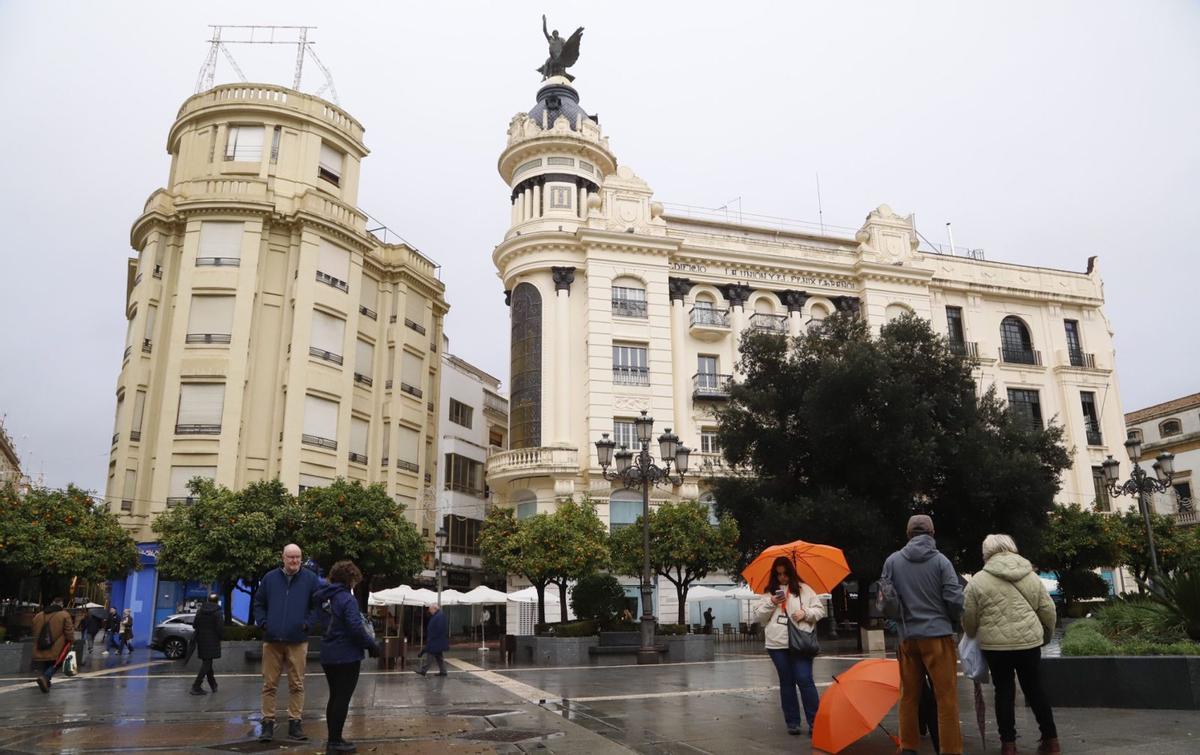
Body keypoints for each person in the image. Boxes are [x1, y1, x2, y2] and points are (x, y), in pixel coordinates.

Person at [962, 534, 1059, 755]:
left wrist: (971, 633)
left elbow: (968, 616)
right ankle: (1051, 741)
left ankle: (1008, 745)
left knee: (1003, 692)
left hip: (996, 647)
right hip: (1029, 643)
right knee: (1035, 689)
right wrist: (1046, 635)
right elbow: (1048, 610)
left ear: (986, 552)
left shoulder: (978, 580)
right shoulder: (1031, 576)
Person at [880, 514, 965, 755]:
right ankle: (950, 750)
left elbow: (885, 600)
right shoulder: (941, 562)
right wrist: (952, 619)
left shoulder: (893, 561)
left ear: (908, 535)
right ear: (932, 533)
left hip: (907, 638)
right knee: (946, 698)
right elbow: (954, 599)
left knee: (908, 696)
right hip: (938, 636)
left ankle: (908, 747)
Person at [253, 543, 322, 743]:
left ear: (301, 558)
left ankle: (295, 723)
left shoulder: (310, 579)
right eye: (290, 557)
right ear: (282, 557)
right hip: (272, 639)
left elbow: (317, 606)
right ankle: (267, 724)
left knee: (297, 684)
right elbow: (259, 603)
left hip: (297, 640)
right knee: (269, 685)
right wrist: (264, 623)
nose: (294, 561)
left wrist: (307, 625)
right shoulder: (269, 578)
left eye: (297, 557)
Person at [752, 556, 826, 736]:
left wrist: (805, 612)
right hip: (777, 644)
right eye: (778, 574)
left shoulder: (804, 590)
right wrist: (772, 603)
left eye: (785, 574)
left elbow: (820, 610)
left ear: (791, 572)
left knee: (805, 679)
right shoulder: (769, 593)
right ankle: (792, 722)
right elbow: (759, 617)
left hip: (800, 642)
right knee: (787, 682)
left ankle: (815, 722)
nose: (782, 578)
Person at [314, 561, 379, 754]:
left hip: (328, 653)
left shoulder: (324, 598)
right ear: (350, 579)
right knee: (342, 698)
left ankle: (333, 739)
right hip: (346, 655)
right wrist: (371, 645)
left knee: (334, 697)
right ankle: (335, 742)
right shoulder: (346, 599)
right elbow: (354, 627)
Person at [31, 597, 74, 693]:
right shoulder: (64, 615)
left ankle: (46, 682)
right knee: (56, 663)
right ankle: (45, 677)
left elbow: (33, 629)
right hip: (57, 645)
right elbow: (69, 631)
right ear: (61, 604)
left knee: (46, 662)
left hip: (41, 644)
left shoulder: (39, 615)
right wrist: (71, 641)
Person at [189, 593, 223, 696]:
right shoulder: (218, 612)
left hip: (201, 640)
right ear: (217, 601)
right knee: (207, 663)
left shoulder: (200, 611)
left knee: (207, 662)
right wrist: (220, 637)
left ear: (208, 600)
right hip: (212, 641)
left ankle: (213, 685)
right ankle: (196, 686)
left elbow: (195, 625)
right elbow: (220, 628)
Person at [415, 604, 449, 677]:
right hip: (437, 640)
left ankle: (423, 670)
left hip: (436, 640)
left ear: (435, 609)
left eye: (430, 609)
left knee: (430, 655)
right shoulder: (438, 615)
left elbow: (439, 629)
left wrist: (433, 637)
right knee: (439, 657)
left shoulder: (439, 616)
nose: (429, 611)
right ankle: (443, 671)